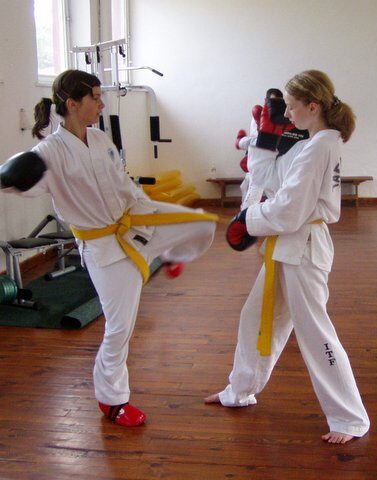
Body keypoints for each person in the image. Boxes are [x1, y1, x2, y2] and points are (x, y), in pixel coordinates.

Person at [0, 69, 217, 427]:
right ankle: (112, 400)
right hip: (103, 248)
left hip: (135, 220)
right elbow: (22, 184)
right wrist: (9, 176)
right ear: (73, 103)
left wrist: (154, 214)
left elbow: (123, 184)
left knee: (201, 223)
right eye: (96, 97)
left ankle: (171, 254)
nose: (102, 104)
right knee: (119, 328)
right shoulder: (49, 153)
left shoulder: (100, 139)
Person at [205, 70, 370, 444]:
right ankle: (240, 390)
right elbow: (275, 180)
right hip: (290, 244)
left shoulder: (320, 147)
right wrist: (264, 142)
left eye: (293, 107)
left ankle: (349, 417)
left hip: (304, 246)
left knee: (315, 333)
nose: (289, 115)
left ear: (313, 106)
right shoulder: (315, 143)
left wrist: (248, 220)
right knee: (255, 318)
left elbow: (289, 210)